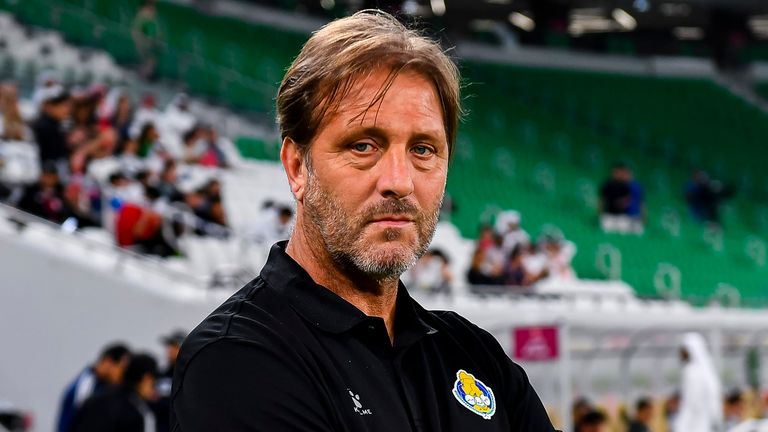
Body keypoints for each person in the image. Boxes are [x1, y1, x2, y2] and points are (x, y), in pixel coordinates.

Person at [171, 10, 556, 432]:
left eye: (423, 149)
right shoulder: (237, 361)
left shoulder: (476, 356)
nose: (399, 182)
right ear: (297, 167)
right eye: (363, 145)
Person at [70, 353, 159, 432]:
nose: (154, 389)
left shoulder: (96, 398)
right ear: (147, 378)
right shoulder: (137, 410)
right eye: (154, 383)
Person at [56, 343, 130, 432]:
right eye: (121, 369)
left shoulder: (105, 386)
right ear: (108, 362)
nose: (123, 376)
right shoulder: (85, 386)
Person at [673, 332, 723, 432]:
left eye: (683, 351)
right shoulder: (706, 373)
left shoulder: (692, 371)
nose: (680, 354)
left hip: (694, 423)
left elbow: (693, 403)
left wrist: (683, 423)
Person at [31, 85, 72, 168]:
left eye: (67, 105)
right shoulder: (43, 127)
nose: (66, 109)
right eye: (61, 105)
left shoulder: (58, 125)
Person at [154, 331, 186, 432]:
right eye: (169, 346)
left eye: (174, 346)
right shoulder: (160, 375)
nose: (169, 350)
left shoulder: (188, 375)